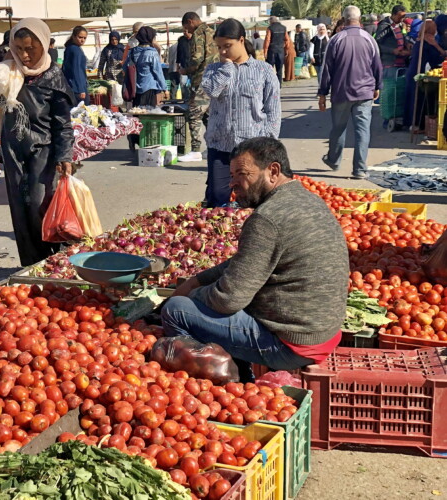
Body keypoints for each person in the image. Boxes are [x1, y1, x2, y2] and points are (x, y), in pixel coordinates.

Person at [161, 137, 348, 382]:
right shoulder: (307, 200)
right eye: (232, 175)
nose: (233, 183)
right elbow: (243, 262)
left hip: (292, 344)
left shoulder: (267, 219)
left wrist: (193, 295)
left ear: (273, 171)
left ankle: (229, 380)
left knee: (176, 310)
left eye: (242, 174)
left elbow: (228, 300)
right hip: (322, 333)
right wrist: (196, 280)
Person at [0, 18, 75, 266]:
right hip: (14, 151)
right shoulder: (8, 71)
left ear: (44, 45)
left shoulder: (53, 77)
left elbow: (63, 124)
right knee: (20, 208)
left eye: (30, 49)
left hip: (43, 152)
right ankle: (30, 264)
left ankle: (53, 262)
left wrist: (64, 156)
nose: (24, 56)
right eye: (19, 49)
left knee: (40, 207)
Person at [201, 19, 280, 208]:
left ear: (242, 40)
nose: (222, 52)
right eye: (219, 47)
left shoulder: (264, 71)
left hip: (251, 148)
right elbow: (212, 91)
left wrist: (268, 145)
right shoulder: (213, 70)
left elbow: (273, 111)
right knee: (218, 196)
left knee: (252, 198)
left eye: (227, 46)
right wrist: (226, 68)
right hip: (220, 145)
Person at [319, 5, 382, 180]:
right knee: (363, 131)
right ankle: (360, 169)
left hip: (341, 93)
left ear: (344, 19)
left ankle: (333, 160)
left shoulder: (336, 40)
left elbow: (327, 70)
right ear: (359, 19)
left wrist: (322, 93)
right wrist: (377, 86)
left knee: (338, 128)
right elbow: (377, 66)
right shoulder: (369, 39)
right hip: (364, 93)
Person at [179, 12, 217, 163]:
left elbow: (197, 58)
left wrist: (186, 70)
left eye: (186, 26)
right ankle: (211, 147)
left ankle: (195, 150)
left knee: (194, 113)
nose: (187, 30)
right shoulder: (212, 32)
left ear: (190, 21)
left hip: (202, 79)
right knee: (209, 115)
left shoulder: (198, 34)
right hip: (215, 79)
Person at [404, 20, 446, 129]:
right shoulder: (428, 42)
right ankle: (417, 124)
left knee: (412, 99)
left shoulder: (419, 40)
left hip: (412, 72)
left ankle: (411, 123)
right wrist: (438, 48)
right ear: (432, 30)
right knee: (419, 100)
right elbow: (436, 58)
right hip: (420, 73)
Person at [123, 26, 167, 107]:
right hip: (149, 89)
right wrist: (165, 89)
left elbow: (125, 68)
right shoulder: (152, 53)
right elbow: (158, 72)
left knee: (136, 115)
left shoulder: (132, 52)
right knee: (148, 116)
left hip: (135, 90)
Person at [375, 5, 409, 79]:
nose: (402, 19)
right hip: (389, 65)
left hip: (401, 64)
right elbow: (377, 45)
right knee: (390, 88)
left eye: (403, 17)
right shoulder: (384, 26)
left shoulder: (399, 25)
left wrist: (407, 45)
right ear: (393, 15)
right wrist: (392, 50)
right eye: (400, 17)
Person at [62, 26, 89, 105]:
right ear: (73, 36)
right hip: (77, 88)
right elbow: (76, 70)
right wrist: (81, 89)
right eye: (80, 37)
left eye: (84, 38)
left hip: (71, 86)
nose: (82, 40)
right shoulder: (75, 50)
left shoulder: (70, 48)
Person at [264, 15, 287, 85]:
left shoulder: (270, 28)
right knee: (279, 70)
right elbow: (287, 40)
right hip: (280, 51)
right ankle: (279, 85)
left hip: (272, 51)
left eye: (269, 21)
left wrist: (265, 51)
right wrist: (285, 49)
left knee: (269, 69)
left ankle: (270, 84)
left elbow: (267, 40)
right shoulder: (284, 28)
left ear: (271, 21)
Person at [177, 30, 193, 99]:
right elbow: (179, 52)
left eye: (187, 31)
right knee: (183, 83)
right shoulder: (181, 40)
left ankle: (192, 98)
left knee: (192, 85)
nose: (185, 33)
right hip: (183, 65)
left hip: (193, 66)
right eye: (184, 31)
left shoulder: (196, 39)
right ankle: (185, 99)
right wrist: (177, 64)